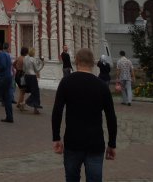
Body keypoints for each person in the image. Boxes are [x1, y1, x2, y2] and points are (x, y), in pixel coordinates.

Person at [52, 48, 117, 182]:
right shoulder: (101, 86)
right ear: (93, 63)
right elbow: (111, 117)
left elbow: (57, 111)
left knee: (72, 178)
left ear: (76, 62)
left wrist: (56, 138)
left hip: (72, 141)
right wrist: (112, 144)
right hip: (95, 143)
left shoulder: (66, 82)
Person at [24, 47, 44, 114]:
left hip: (26, 76)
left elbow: (24, 69)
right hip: (32, 77)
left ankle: (35, 109)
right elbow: (36, 70)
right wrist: (42, 64)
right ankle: (24, 103)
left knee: (33, 92)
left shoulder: (25, 58)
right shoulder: (33, 59)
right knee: (35, 92)